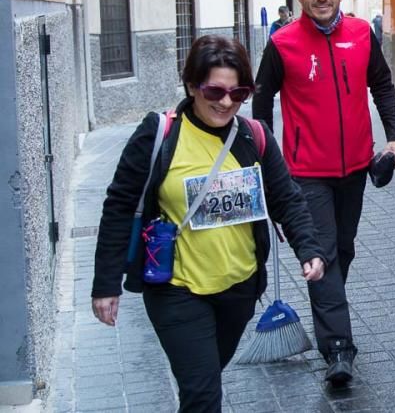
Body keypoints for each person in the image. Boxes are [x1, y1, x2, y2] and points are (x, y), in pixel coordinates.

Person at [91, 35, 325, 412]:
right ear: (191, 85)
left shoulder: (254, 136)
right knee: (203, 393)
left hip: (239, 287)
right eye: (215, 90)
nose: (226, 102)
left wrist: (309, 248)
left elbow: (286, 198)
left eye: (239, 92)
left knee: (204, 381)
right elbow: (118, 206)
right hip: (176, 288)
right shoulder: (160, 134)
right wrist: (105, 284)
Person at [253, 0, 395, 387]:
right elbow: (261, 109)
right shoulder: (282, 44)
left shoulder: (361, 34)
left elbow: (383, 85)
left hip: (355, 167)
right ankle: (338, 348)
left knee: (343, 248)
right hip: (305, 173)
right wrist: (269, 164)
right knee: (321, 253)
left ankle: (328, 300)